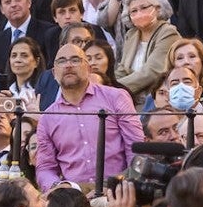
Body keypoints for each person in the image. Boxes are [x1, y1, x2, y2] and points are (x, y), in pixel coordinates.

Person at [36, 44, 143, 188]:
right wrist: (60, 188)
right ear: (54, 73)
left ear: (89, 68)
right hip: (74, 197)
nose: (68, 65)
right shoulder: (47, 118)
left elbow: (136, 150)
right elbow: (45, 168)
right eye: (61, 61)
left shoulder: (116, 97)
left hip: (117, 190)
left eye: (75, 60)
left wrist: (126, 185)